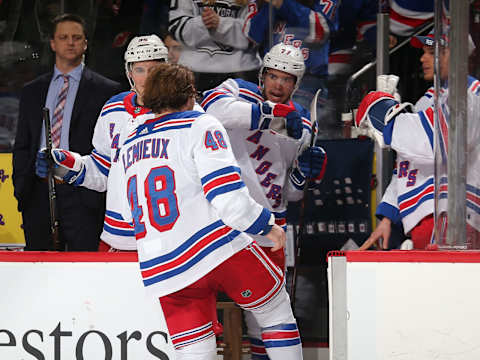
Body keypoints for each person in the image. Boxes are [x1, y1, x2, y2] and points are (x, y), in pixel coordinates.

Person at [116, 62, 304, 360]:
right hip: (217, 246)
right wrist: (267, 226)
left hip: (164, 262)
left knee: (196, 351)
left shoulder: (128, 143)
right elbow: (228, 198)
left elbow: (127, 214)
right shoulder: (200, 124)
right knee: (275, 313)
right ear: (191, 94)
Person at [201, 42, 327, 358]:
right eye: (273, 76)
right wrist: (267, 115)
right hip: (221, 225)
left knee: (267, 319)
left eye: (287, 79)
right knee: (203, 312)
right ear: (262, 74)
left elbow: (293, 192)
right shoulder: (237, 91)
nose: (278, 85)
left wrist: (304, 174)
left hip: (271, 230)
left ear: (296, 84)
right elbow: (211, 110)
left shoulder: (303, 124)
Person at [35, 35, 168, 251]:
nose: (146, 78)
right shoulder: (113, 108)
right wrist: (64, 164)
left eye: (154, 70)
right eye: (140, 70)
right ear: (129, 72)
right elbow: (102, 169)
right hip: (116, 237)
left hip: (167, 238)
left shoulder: (182, 112)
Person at [355, 35, 480, 250]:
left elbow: (434, 144)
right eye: (423, 52)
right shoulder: (429, 99)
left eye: (433, 53)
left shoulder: (471, 94)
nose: (423, 58)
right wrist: (388, 216)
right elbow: (408, 159)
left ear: (457, 55)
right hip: (424, 217)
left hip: (455, 216)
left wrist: (385, 116)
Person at [13, 13, 120, 251]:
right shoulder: (32, 90)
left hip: (85, 196)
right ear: (52, 43)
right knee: (39, 269)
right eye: (63, 37)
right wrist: (22, 188)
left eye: (76, 37)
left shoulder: (107, 90)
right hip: (38, 193)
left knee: (86, 270)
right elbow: (22, 144)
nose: (70, 42)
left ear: (85, 43)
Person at [243, 0, 339, 110]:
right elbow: (253, 36)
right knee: (265, 122)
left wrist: (283, 4)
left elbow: (321, 29)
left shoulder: (325, 2)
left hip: (307, 79)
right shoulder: (269, 5)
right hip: (271, 74)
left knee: (298, 123)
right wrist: (271, 6)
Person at [168, 0, 262, 92]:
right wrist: (204, 23)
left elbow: (256, 34)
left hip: (241, 72)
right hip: (193, 73)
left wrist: (221, 25)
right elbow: (176, 27)